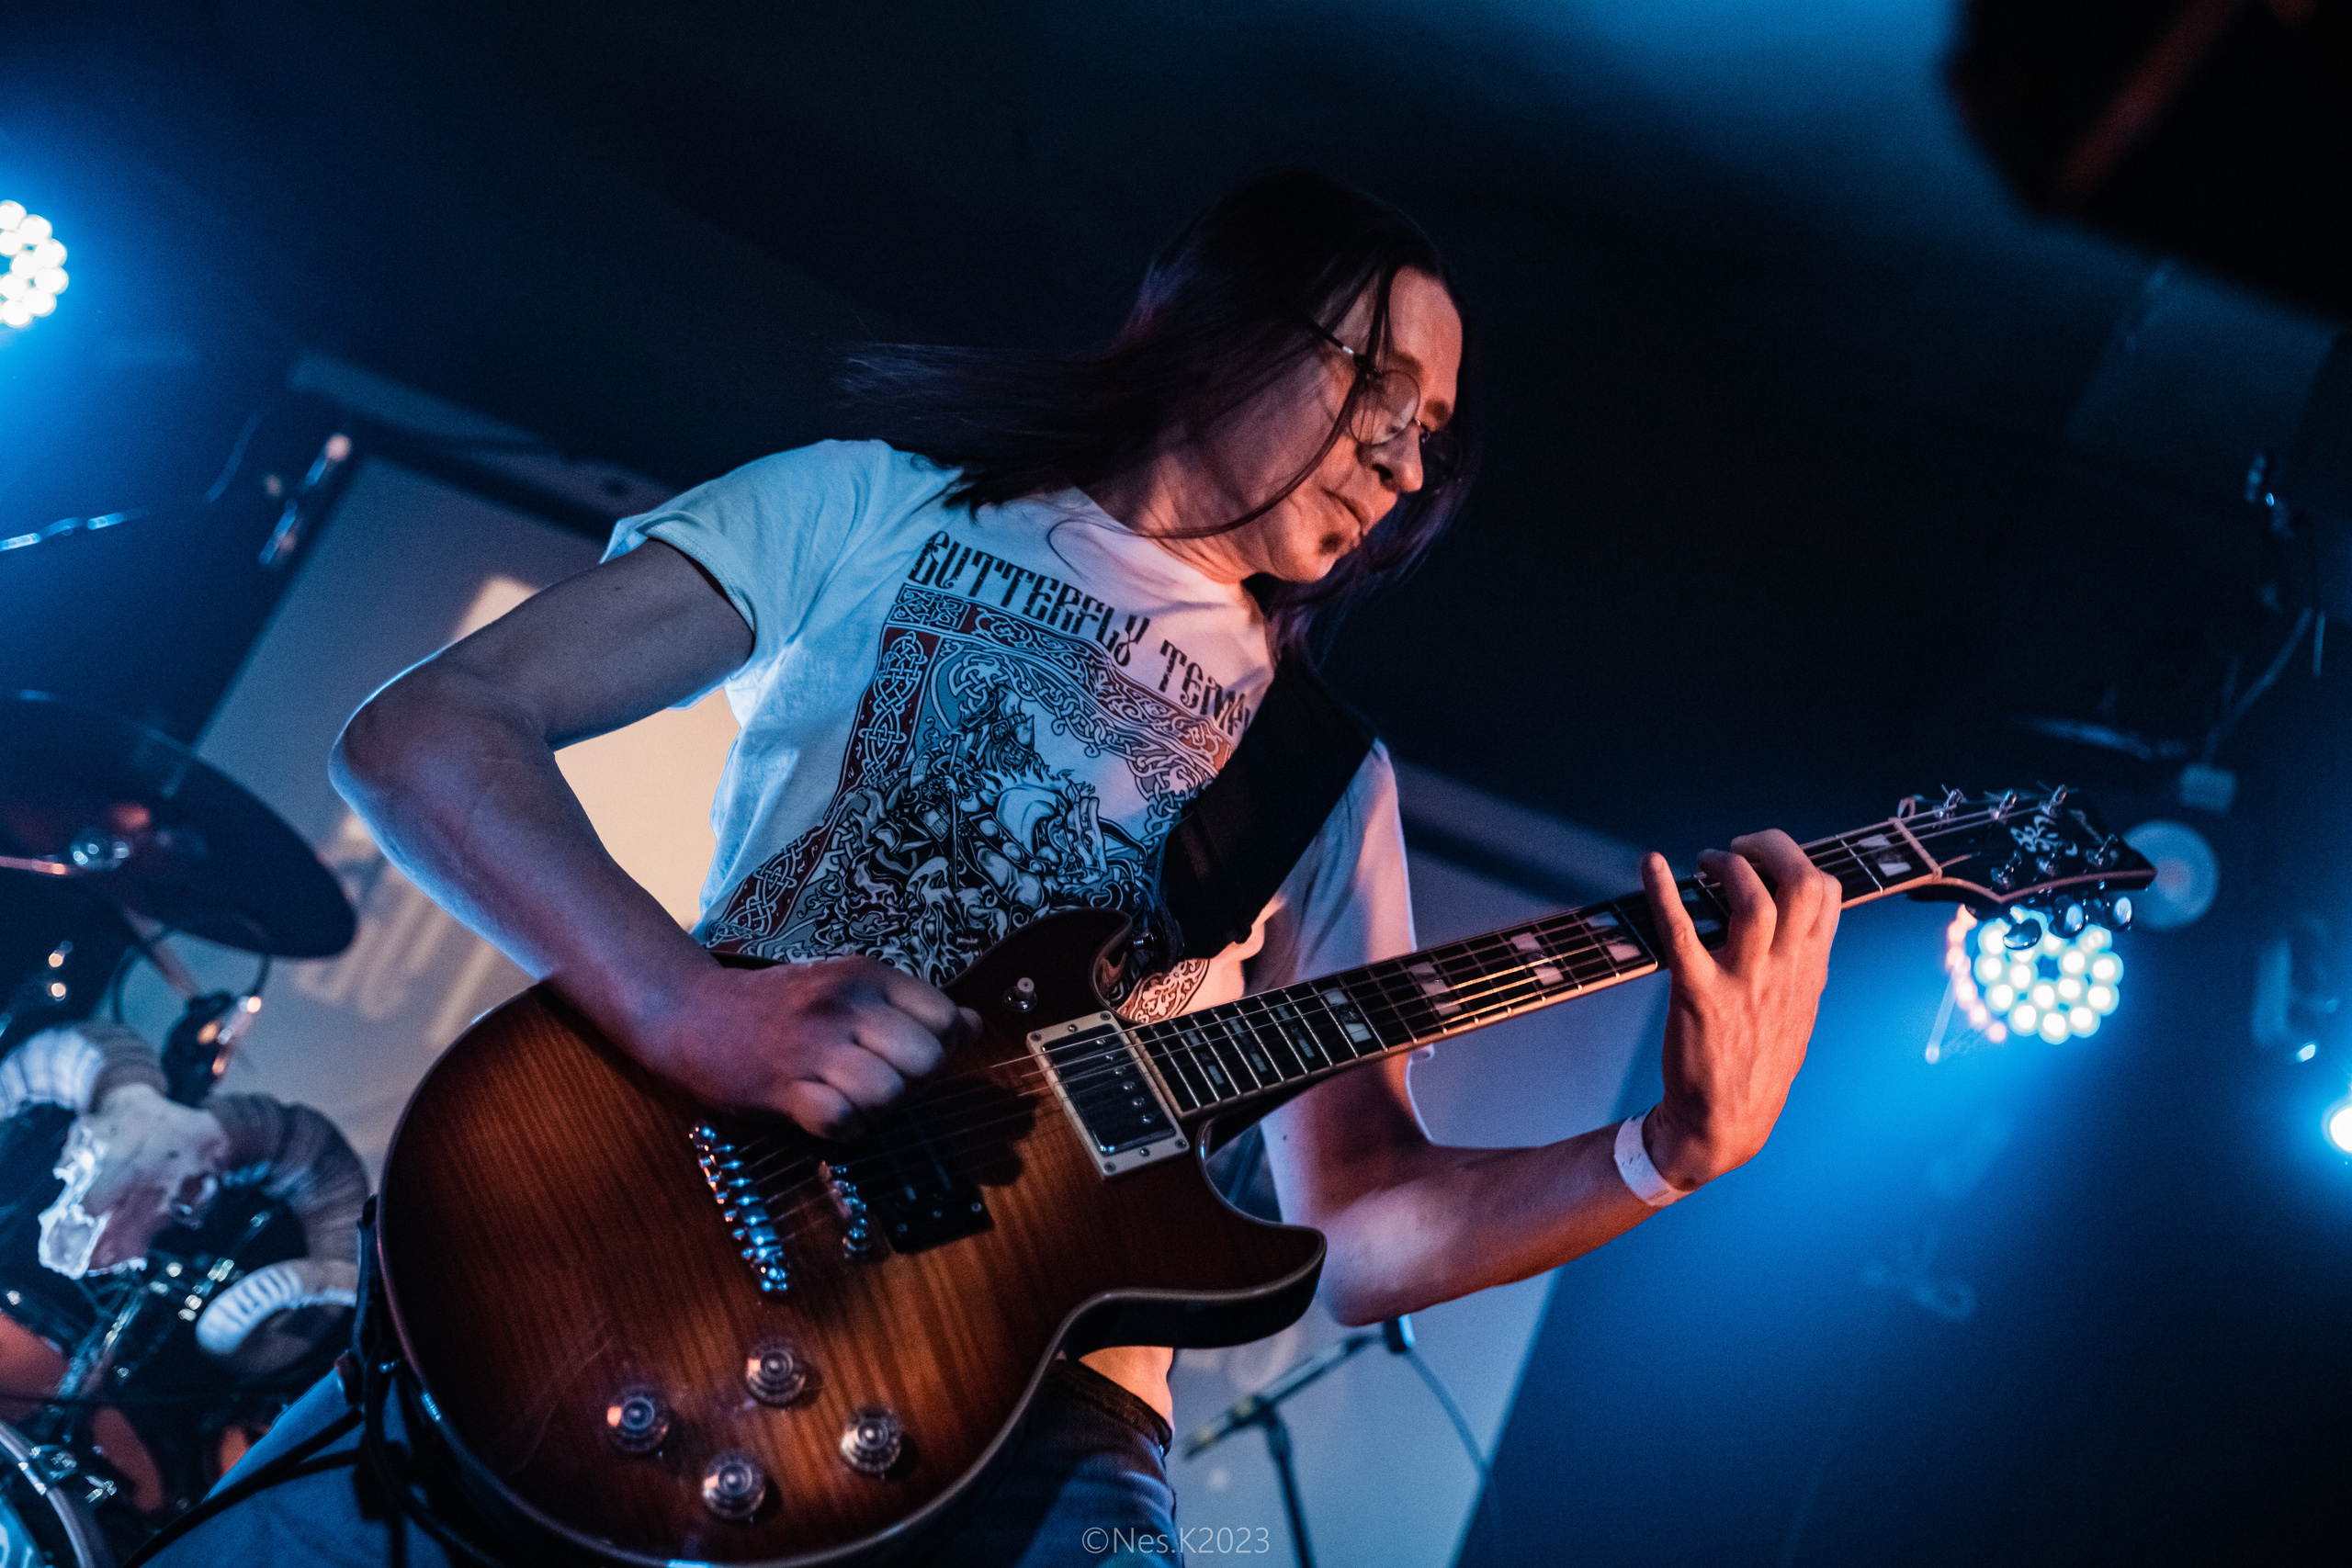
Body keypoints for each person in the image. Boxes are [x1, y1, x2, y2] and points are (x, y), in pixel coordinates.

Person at [145, 170, 1840, 1567]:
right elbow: (430, 730)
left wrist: (1665, 1152)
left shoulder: (1330, 782)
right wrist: (684, 1011)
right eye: (1378, 394)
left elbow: (1366, 1228)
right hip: (633, 1263)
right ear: (1219, 331)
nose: (1407, 463)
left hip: (1042, 1443)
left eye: (1434, 438)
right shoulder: (875, 508)